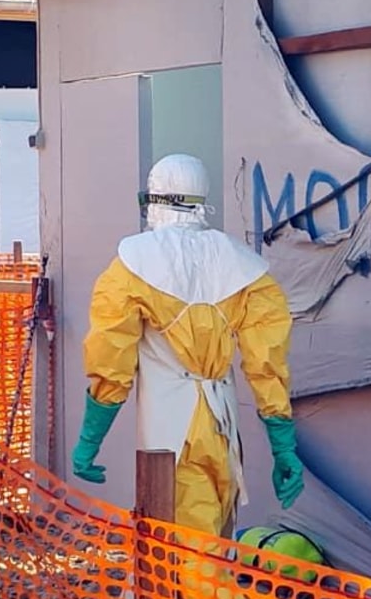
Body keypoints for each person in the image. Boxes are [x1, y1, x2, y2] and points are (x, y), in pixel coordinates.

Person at [70, 153, 305, 534]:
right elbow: (268, 365)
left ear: (154, 200)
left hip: (170, 433)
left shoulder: (132, 266)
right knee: (217, 537)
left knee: (188, 560)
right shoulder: (246, 268)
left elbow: (109, 360)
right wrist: (283, 447)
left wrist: (89, 441)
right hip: (222, 427)